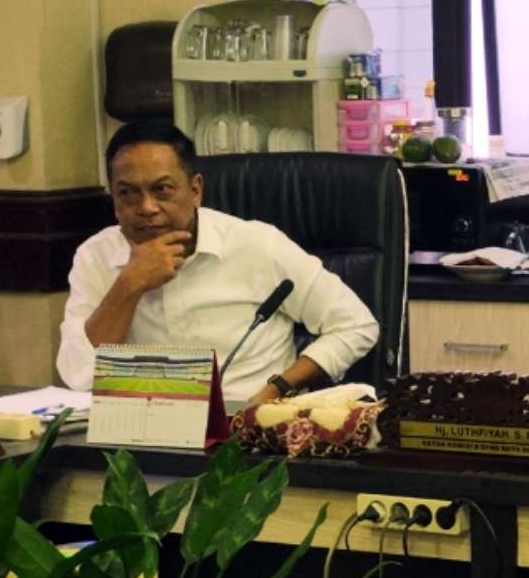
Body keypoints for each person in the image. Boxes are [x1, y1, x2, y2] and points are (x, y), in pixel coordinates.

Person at [57, 121, 379, 403]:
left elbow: (356, 325)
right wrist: (129, 285)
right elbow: (78, 374)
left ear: (195, 190)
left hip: (251, 432)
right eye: (127, 193)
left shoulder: (257, 245)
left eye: (162, 190)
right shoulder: (95, 256)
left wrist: (277, 389)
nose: (147, 207)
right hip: (141, 437)